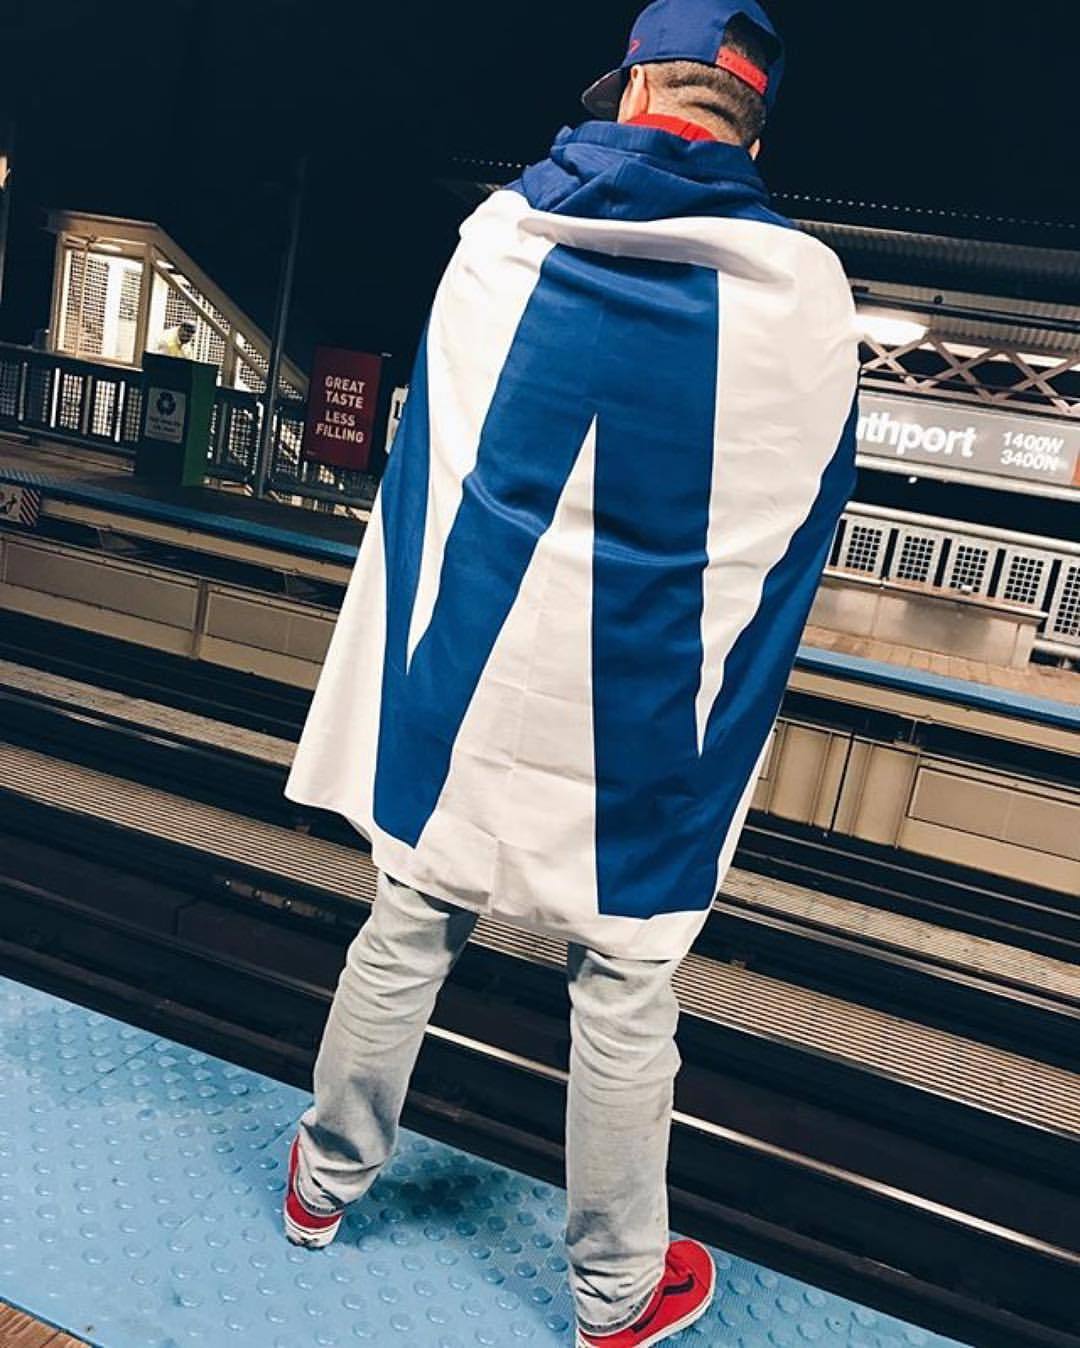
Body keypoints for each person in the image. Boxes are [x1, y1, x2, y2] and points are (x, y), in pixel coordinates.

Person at [282, 1, 860, 1343]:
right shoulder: (805, 291)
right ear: (751, 131)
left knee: (412, 914)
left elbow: (433, 470)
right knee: (624, 985)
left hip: (473, 679)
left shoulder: (502, 236)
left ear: (633, 90)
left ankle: (323, 1182)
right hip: (655, 711)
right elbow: (795, 529)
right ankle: (614, 1293)